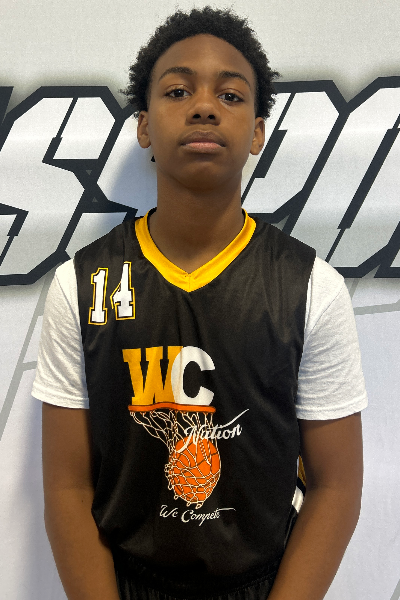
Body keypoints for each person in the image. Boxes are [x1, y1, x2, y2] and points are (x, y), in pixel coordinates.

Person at [32, 7, 367, 600]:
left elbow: (336, 486)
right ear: (144, 125)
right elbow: (66, 487)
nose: (205, 107)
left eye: (230, 95)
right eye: (178, 90)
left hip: (264, 584)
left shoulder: (311, 286)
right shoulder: (81, 284)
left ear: (258, 132)